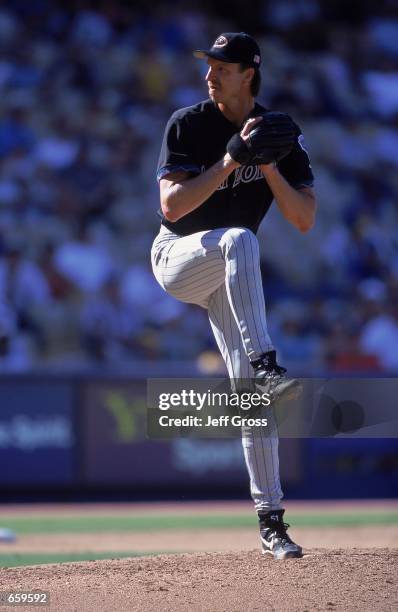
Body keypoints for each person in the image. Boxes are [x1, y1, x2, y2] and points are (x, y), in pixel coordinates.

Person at [151, 32, 317, 560]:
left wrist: (266, 162)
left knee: (252, 398)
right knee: (241, 239)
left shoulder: (276, 132)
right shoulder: (189, 123)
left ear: (249, 72)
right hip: (177, 258)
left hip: (231, 273)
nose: (210, 74)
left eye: (222, 66)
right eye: (209, 65)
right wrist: (229, 161)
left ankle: (272, 522)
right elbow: (173, 208)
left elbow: (304, 218)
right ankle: (268, 359)